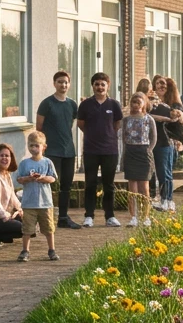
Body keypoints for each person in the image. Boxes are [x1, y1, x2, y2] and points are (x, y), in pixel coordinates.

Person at [76, 72, 123, 227]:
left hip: (110, 150)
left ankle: (109, 216)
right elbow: (81, 124)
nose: (100, 87)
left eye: (103, 84)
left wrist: (107, 135)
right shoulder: (86, 105)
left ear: (107, 85)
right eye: (97, 84)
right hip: (91, 150)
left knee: (109, 185)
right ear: (93, 86)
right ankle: (89, 215)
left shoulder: (114, 105)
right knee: (90, 183)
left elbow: (117, 124)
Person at [35, 70, 79, 229]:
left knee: (66, 186)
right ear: (54, 84)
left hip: (68, 151)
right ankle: (44, 218)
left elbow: (72, 123)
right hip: (52, 151)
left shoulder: (72, 104)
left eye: (66, 82)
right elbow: (39, 127)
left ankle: (63, 217)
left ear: (69, 84)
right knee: (49, 185)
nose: (63, 85)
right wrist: (41, 149)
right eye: (60, 82)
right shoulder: (47, 103)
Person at [16, 131, 58, 261]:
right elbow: (19, 179)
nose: (33, 149)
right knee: (27, 229)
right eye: (31, 145)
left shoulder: (47, 162)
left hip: (45, 202)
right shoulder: (24, 163)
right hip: (29, 203)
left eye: (36, 146)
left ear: (43, 147)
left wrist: (43, 178)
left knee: (49, 228)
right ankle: (25, 250)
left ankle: (52, 250)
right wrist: (27, 178)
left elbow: (53, 178)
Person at [121, 93, 157, 227]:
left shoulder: (149, 119)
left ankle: (146, 216)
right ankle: (133, 216)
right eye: (133, 102)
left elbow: (153, 137)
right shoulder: (126, 120)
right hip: (131, 151)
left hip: (144, 152)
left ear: (144, 104)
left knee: (144, 187)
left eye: (138, 102)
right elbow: (124, 137)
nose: (136, 105)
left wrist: (148, 150)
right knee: (132, 188)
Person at [148, 77, 177, 212]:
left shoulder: (170, 104)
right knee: (160, 172)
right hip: (153, 142)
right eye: (158, 83)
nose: (161, 86)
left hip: (165, 142)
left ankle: (167, 200)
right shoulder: (149, 104)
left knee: (164, 172)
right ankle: (165, 199)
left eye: (163, 84)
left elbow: (178, 118)